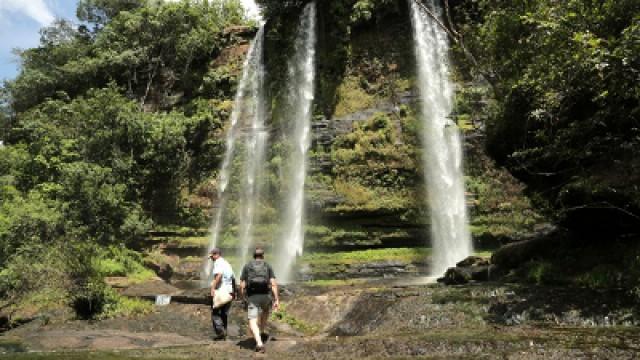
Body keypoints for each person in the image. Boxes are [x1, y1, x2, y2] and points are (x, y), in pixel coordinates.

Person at [239, 246, 279, 353]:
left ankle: (259, 343)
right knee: (265, 310)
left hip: (253, 297)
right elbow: (274, 284)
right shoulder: (267, 265)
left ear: (254, 256)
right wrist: (276, 300)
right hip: (266, 296)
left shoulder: (247, 266)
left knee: (252, 320)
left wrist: (243, 298)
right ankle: (262, 330)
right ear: (263, 256)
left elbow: (242, 285)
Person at [209, 247, 235, 340]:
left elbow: (219, 275)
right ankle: (225, 334)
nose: (211, 259)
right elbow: (233, 278)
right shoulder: (226, 263)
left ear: (216, 255)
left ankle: (221, 332)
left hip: (221, 290)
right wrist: (233, 292)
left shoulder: (218, 262)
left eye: (212, 256)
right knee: (224, 313)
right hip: (229, 291)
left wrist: (212, 288)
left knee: (215, 313)